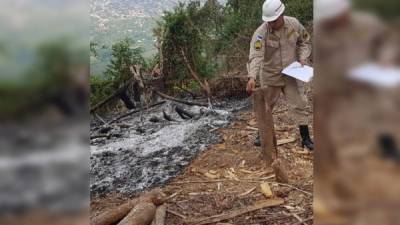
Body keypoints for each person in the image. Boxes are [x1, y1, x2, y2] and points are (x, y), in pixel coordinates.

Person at [247, 0, 313, 150]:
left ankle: (306, 138)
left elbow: (305, 41)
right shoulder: (261, 33)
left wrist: (303, 57)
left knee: (300, 104)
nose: (270, 24)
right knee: (266, 106)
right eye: (268, 21)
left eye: (274, 21)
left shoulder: (294, 24)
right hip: (270, 75)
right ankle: (261, 134)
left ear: (282, 14)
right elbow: (256, 56)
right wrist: (252, 76)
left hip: (292, 72)